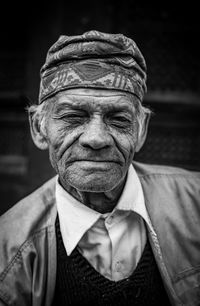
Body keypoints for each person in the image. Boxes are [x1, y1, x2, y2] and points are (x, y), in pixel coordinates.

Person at [0, 30, 199, 306]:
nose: (96, 138)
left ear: (141, 131)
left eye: (118, 119)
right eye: (72, 117)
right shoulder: (8, 247)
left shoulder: (195, 202)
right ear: (39, 128)